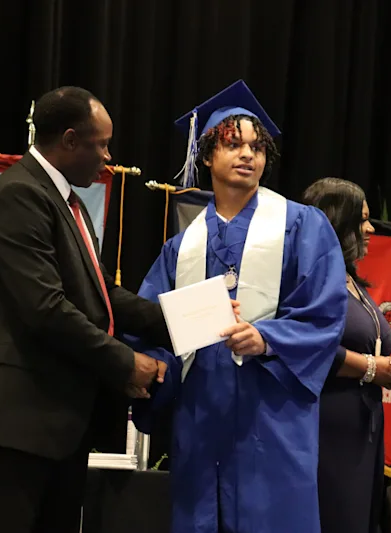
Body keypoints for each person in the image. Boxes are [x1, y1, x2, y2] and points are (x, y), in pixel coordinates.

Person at [0, 86, 172, 533]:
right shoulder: (20, 196)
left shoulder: (65, 201)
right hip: (20, 421)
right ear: (69, 140)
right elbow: (45, 308)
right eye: (101, 144)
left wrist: (184, 318)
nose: (108, 157)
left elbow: (102, 294)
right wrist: (125, 361)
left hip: (59, 421)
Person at [127, 80, 348, 533]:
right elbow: (153, 323)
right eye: (233, 144)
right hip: (202, 419)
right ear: (207, 155)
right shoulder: (181, 247)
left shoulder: (303, 226)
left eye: (257, 146)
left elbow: (325, 312)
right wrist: (147, 366)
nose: (248, 155)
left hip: (271, 417)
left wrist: (267, 337)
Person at [302, 177, 391, 533]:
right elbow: (307, 344)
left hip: (361, 426)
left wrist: (389, 365)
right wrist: (368, 368)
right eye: (362, 219)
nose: (369, 228)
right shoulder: (308, 279)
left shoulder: (351, 279)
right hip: (326, 426)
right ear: (337, 221)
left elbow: (368, 343)